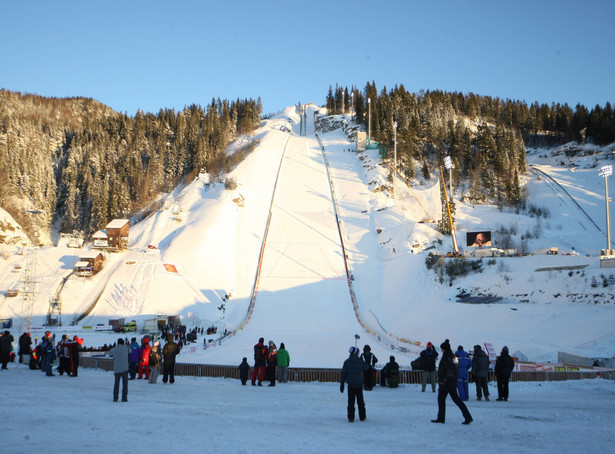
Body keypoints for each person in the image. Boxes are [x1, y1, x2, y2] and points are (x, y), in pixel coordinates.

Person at [431, 339, 473, 425]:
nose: (441, 350)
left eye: (442, 348)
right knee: (457, 399)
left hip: (446, 382)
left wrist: (442, 381)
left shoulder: (446, 357)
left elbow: (443, 370)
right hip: (453, 381)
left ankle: (441, 418)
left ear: (444, 349)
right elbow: (456, 368)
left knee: (441, 399)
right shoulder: (454, 356)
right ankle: (468, 416)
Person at [341, 346, 370, 422]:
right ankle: (362, 416)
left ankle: (351, 417)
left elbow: (343, 373)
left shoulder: (347, 362)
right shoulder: (360, 361)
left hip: (350, 385)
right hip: (359, 385)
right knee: (360, 401)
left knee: (351, 401)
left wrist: (342, 384)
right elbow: (366, 367)